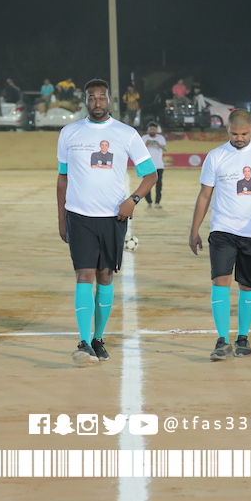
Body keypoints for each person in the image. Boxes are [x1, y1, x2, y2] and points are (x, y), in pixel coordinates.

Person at [56, 79, 157, 366]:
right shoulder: (69, 133)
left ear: (109, 100)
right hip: (79, 216)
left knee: (105, 276)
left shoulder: (126, 134)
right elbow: (62, 179)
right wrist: (61, 219)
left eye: (101, 97)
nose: (97, 102)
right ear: (85, 100)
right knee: (84, 275)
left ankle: (98, 338)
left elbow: (150, 175)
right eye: (92, 97)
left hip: (114, 217)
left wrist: (133, 200)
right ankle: (83, 341)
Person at [189, 109, 251, 361]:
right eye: (234, 134)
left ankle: (243, 337)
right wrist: (194, 230)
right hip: (223, 229)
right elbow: (205, 195)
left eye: (243, 134)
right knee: (220, 280)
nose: (239, 138)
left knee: (247, 286)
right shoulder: (216, 156)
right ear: (227, 130)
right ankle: (222, 340)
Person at [141, 123, 167, 208]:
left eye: (154, 129)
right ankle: (149, 202)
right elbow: (140, 150)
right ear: (148, 130)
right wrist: (146, 144)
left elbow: (165, 149)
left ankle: (157, 202)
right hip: (147, 165)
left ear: (156, 130)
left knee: (159, 185)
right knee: (146, 185)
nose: (152, 130)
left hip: (159, 165)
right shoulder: (144, 138)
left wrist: (158, 144)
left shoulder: (161, 138)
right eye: (151, 129)